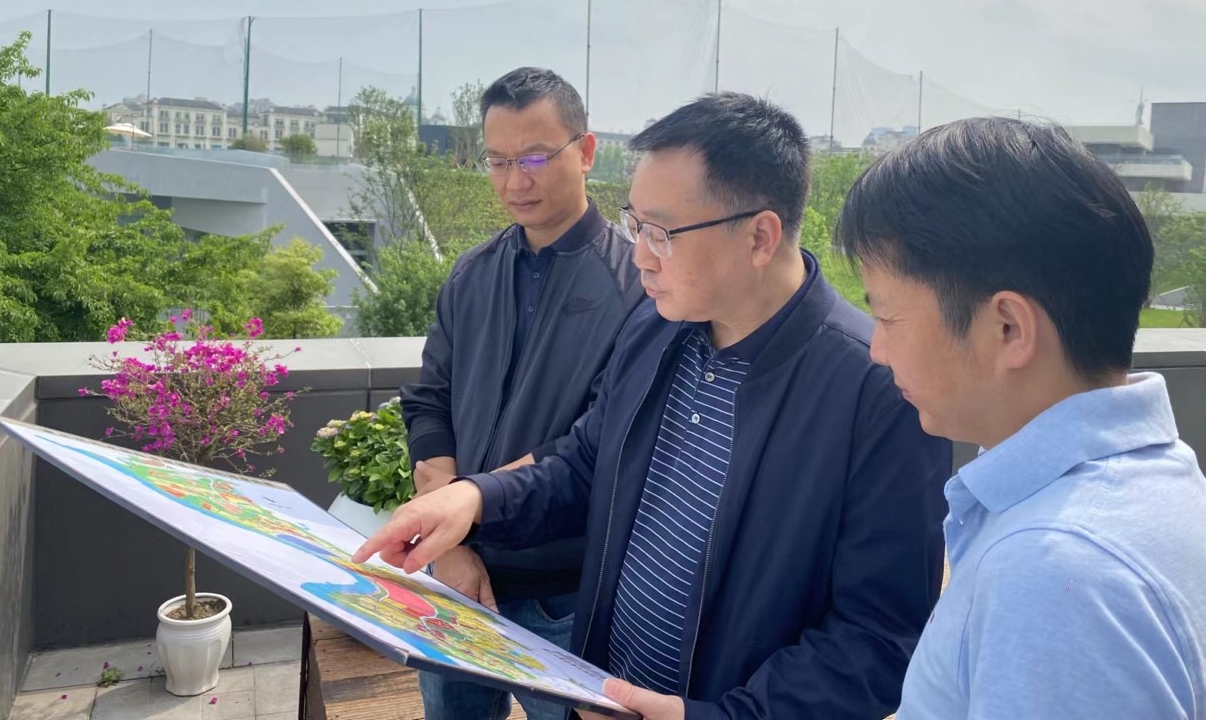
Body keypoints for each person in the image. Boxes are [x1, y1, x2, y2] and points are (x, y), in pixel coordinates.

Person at [360, 92, 951, 719]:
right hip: (602, 696)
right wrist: (475, 500)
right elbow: (586, 465)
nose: (641, 255)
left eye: (662, 234)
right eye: (635, 225)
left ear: (759, 236)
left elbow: (878, 639)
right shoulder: (657, 328)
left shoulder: (878, 390)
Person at [834, 117, 1206, 718]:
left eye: (887, 316)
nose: (877, 349)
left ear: (1007, 327)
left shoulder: (1056, 575)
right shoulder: (1155, 479)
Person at [399, 66, 645, 720]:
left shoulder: (638, 290)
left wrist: (468, 510)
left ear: (585, 151)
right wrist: (451, 541)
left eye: (534, 158)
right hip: (455, 579)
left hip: (565, 596)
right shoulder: (471, 274)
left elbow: (596, 450)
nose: (515, 182)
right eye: (498, 161)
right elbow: (429, 402)